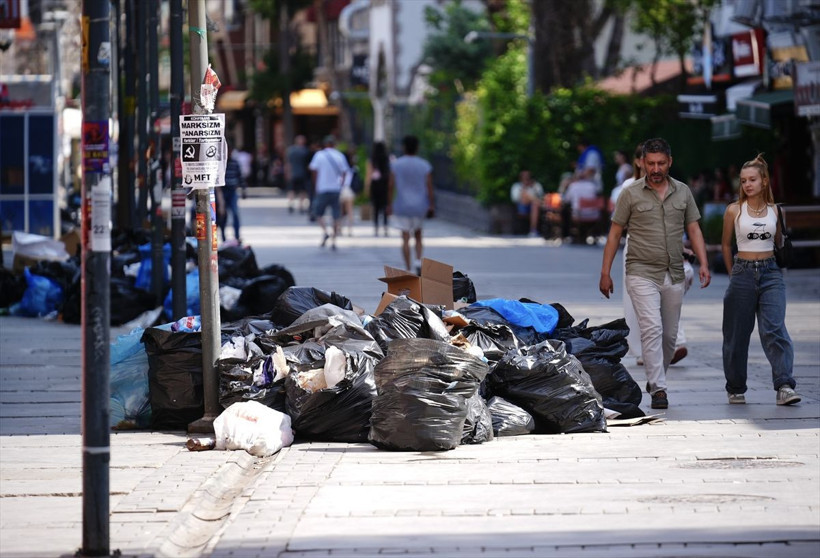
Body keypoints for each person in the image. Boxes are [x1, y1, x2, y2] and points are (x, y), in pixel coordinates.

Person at [599, 138, 711, 410]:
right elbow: (615, 233)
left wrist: (704, 263)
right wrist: (605, 272)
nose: (656, 168)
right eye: (651, 163)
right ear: (643, 163)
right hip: (640, 271)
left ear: (670, 162)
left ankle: (655, 376)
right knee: (652, 328)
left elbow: (694, 229)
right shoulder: (631, 193)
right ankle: (659, 389)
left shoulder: (683, 192)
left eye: (661, 163)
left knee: (670, 336)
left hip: (673, 271)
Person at [720, 154, 800, 406]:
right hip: (742, 272)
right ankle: (735, 386)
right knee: (736, 334)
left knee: (774, 329)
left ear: (764, 181)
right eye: (743, 181)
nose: (747, 185)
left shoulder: (776, 210)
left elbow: (778, 243)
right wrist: (734, 271)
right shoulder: (734, 210)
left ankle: (784, 385)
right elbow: (725, 244)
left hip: (771, 273)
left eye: (752, 179)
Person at [388, 135, 434, 273]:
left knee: (405, 237)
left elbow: (390, 185)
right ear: (417, 148)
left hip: (402, 205)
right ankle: (418, 261)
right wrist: (431, 204)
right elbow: (429, 186)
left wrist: (389, 203)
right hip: (420, 205)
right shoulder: (424, 165)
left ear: (403, 147)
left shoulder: (396, 165)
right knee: (419, 235)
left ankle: (408, 268)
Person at [309, 135, 350, 251]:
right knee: (336, 215)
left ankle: (325, 231)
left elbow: (314, 171)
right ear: (334, 144)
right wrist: (341, 184)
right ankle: (334, 240)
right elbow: (345, 172)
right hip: (335, 189)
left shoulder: (319, 155)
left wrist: (316, 185)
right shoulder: (339, 156)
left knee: (317, 213)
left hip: (322, 188)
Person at [219, 146, 244, 242]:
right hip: (223, 191)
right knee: (223, 214)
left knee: (235, 213)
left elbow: (240, 177)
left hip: (232, 191)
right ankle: (223, 236)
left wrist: (243, 190)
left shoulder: (235, 163)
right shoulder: (220, 164)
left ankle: (237, 236)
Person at [510, 170, 544, 237]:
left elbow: (541, 196)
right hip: (522, 207)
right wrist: (524, 190)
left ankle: (533, 230)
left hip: (535, 207)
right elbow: (515, 199)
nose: (526, 179)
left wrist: (533, 189)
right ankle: (533, 230)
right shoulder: (516, 186)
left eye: (527, 177)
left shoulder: (536, 186)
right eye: (524, 177)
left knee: (534, 205)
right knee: (527, 198)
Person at [367, 141, 391, 237]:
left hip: (375, 185)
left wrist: (367, 187)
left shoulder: (372, 159)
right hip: (384, 185)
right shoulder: (387, 159)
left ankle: (376, 227)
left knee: (376, 207)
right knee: (384, 206)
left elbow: (369, 174)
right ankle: (385, 227)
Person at [285, 135, 311, 214]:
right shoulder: (305, 151)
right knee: (300, 190)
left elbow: (287, 163)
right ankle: (298, 205)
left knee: (293, 190)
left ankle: (293, 204)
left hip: (295, 173)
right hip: (301, 173)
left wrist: (288, 173)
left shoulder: (290, 150)